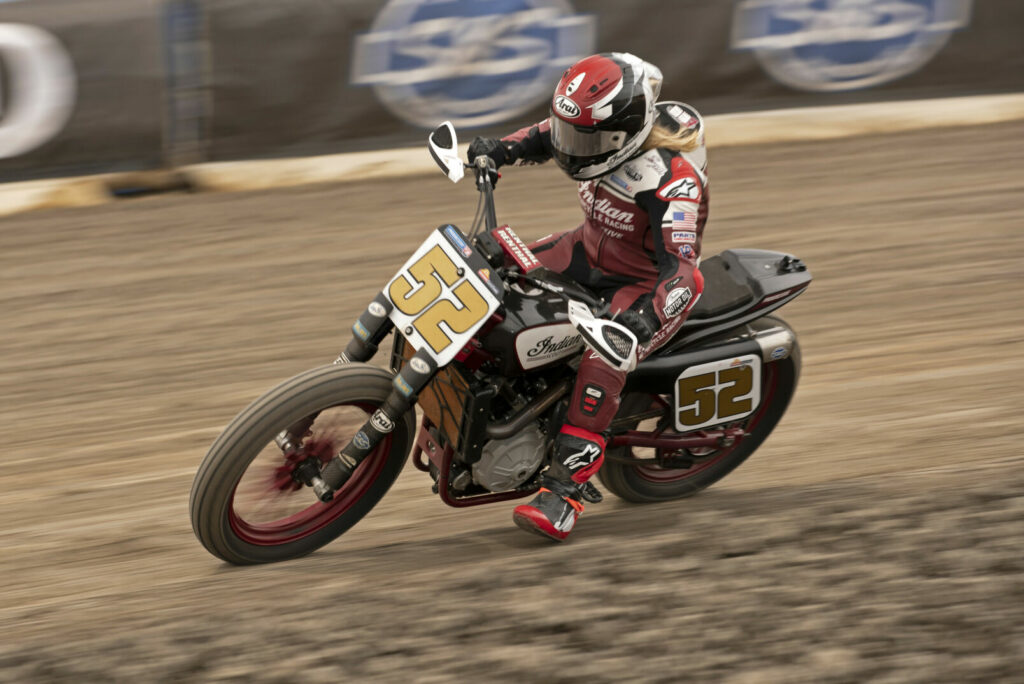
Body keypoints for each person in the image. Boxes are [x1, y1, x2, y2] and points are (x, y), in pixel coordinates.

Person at [468, 52, 709, 541]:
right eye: (570, 133)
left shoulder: (673, 181)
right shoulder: (595, 130)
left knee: (605, 356)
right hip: (584, 248)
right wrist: (498, 150)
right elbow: (543, 135)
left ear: (626, 134)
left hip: (644, 288)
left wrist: (641, 322)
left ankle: (565, 491)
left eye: (585, 140)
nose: (570, 148)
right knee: (483, 268)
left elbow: (683, 273)